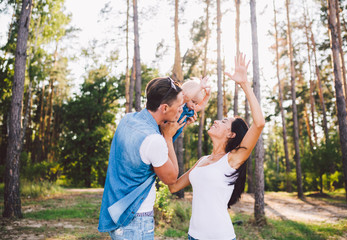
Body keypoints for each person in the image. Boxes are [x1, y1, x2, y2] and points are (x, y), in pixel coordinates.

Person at [168, 52, 265, 240]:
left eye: (223, 121)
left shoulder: (233, 160)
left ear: (231, 134)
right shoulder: (203, 160)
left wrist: (244, 83)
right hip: (193, 236)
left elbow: (259, 123)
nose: (216, 121)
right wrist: (169, 138)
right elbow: (173, 186)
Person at [98, 77, 197, 240]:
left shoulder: (127, 119)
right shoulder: (154, 139)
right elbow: (171, 178)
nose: (181, 110)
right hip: (135, 220)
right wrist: (167, 138)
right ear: (165, 107)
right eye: (180, 107)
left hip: (118, 212)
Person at [172, 77, 211, 141]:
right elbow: (187, 96)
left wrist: (208, 95)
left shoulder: (190, 110)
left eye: (196, 104)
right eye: (193, 101)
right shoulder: (181, 104)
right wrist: (199, 87)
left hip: (174, 133)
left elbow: (202, 105)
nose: (194, 106)